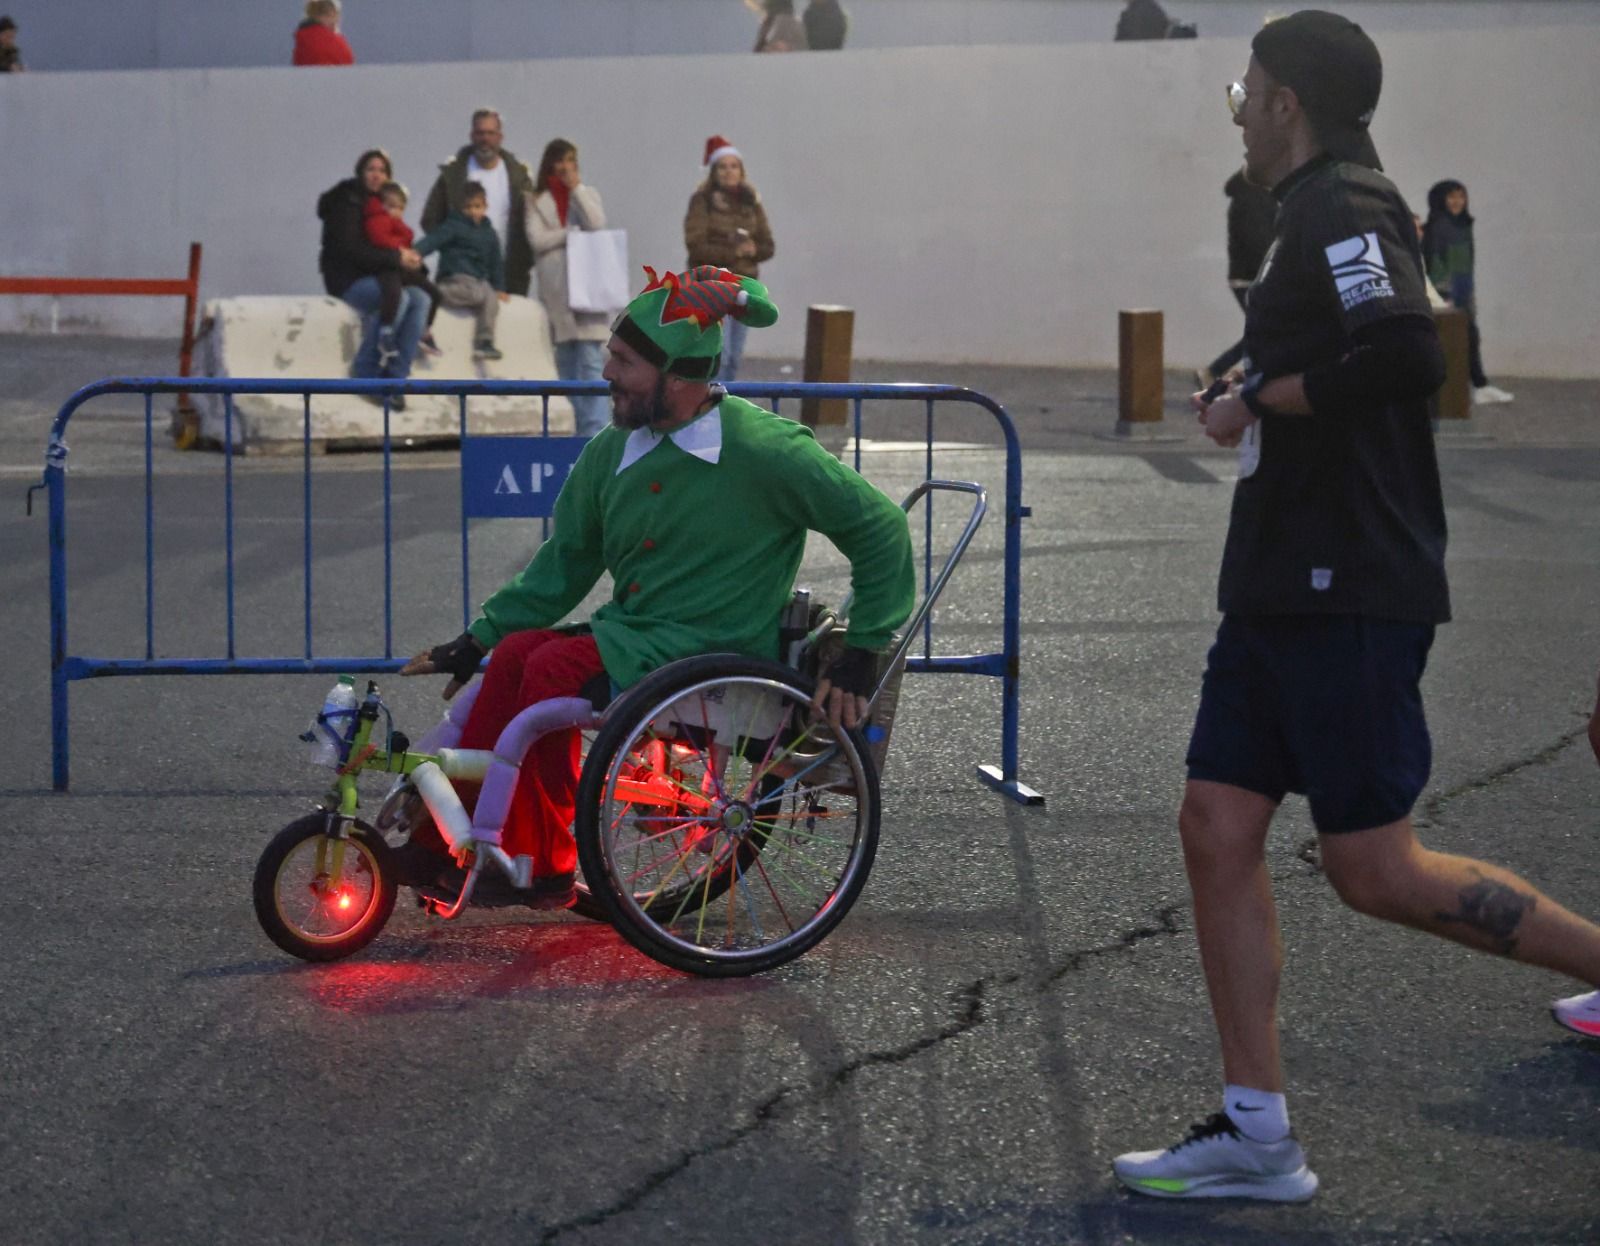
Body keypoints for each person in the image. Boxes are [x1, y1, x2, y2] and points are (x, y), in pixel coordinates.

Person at [1112, 10, 1600, 1203]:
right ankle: (1255, 1133)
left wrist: (1261, 395)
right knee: (1213, 824)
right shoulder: (1307, 213)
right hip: (1281, 578)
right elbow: (1337, 336)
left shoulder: (1345, 204)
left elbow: (1404, 353)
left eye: (1248, 92)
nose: (1238, 112)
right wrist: (1244, 371)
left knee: (1374, 869)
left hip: (1348, 579)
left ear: (1287, 103)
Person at [395, 265, 914, 908]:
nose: (606, 372)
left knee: (551, 669)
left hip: (713, 646)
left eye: (624, 361)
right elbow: (564, 564)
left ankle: (541, 860)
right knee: (517, 656)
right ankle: (450, 844)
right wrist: (477, 640)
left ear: (679, 378)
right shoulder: (611, 452)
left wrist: (865, 645)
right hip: (637, 638)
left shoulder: (766, 449)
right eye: (611, 354)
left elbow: (881, 527)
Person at [316, 149, 429, 404]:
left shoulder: (385, 204)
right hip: (348, 279)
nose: (376, 175)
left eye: (382, 170)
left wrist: (413, 263)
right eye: (371, 169)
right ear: (361, 172)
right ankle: (366, 370)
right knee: (399, 299)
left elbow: (395, 244)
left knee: (421, 298)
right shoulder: (347, 202)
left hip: (383, 276)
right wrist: (396, 258)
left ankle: (397, 377)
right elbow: (350, 249)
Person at [527, 139, 612, 436]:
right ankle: (575, 427)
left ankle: (596, 431)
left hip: (588, 289)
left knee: (591, 362)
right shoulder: (537, 201)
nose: (565, 167)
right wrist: (568, 234)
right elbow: (537, 239)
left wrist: (576, 189)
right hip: (558, 291)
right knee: (565, 364)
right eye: (560, 161)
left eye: (570, 161)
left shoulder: (587, 194)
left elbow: (597, 223)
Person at [684, 137, 775, 382]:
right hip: (713, 286)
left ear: (741, 170)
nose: (729, 171)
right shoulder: (702, 200)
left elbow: (768, 246)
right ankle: (709, 401)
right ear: (714, 171)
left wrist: (752, 250)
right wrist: (734, 252)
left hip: (744, 287)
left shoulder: (751, 201)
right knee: (719, 355)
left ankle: (725, 400)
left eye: (734, 166)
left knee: (734, 356)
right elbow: (695, 246)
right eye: (723, 166)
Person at [421, 109, 536, 297]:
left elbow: (532, 223)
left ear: (500, 137)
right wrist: (455, 253)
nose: (485, 138)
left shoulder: (519, 177)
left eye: (491, 133)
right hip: (462, 277)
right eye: (480, 133)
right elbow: (430, 219)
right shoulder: (453, 175)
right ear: (472, 135)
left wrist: (526, 259)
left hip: (510, 275)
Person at [1422, 180, 1513, 406]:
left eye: (1461, 196)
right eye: (1452, 197)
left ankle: (1478, 385)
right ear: (1441, 199)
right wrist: (1449, 297)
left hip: (1459, 294)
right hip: (1447, 297)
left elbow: (1463, 266)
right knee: (1460, 340)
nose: (1458, 202)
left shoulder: (1460, 225)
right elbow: (1438, 265)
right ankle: (1475, 386)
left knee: (1469, 339)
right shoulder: (1441, 227)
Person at [1197, 170, 1277, 390]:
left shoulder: (1249, 197)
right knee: (1264, 330)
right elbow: (1259, 240)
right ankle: (1218, 371)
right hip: (1252, 276)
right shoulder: (1253, 199)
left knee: (1263, 329)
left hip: (1246, 275)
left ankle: (1219, 371)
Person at [414, 182, 509, 361]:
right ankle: (435, 292)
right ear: (460, 208)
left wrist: (499, 287)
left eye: (477, 206)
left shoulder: (489, 233)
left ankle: (485, 342)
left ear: (485, 206)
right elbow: (433, 240)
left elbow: (496, 262)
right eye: (468, 207)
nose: (473, 211)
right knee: (476, 294)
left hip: (479, 279)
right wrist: (416, 252)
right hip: (456, 276)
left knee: (491, 300)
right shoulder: (453, 226)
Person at [362, 181, 442, 362]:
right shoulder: (376, 219)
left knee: (434, 293)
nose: (395, 212)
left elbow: (406, 241)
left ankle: (425, 330)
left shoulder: (399, 225)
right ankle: (385, 332)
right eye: (391, 206)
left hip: (401, 268)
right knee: (395, 293)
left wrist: (413, 258)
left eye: (399, 208)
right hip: (385, 268)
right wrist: (401, 251)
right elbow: (380, 239)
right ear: (382, 205)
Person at [292, 0, 353, 66]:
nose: (336, 20)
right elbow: (348, 60)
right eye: (330, 16)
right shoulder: (330, 40)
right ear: (319, 16)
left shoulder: (302, 38)